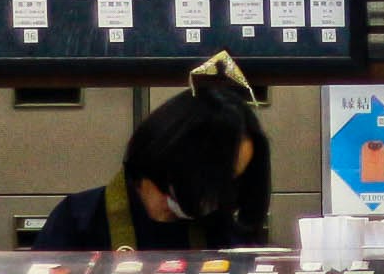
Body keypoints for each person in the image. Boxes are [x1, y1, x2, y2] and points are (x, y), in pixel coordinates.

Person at [33, 80, 274, 252]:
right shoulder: (79, 220)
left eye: (233, 182)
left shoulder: (220, 228)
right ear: (174, 156)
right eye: (217, 179)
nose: (222, 195)